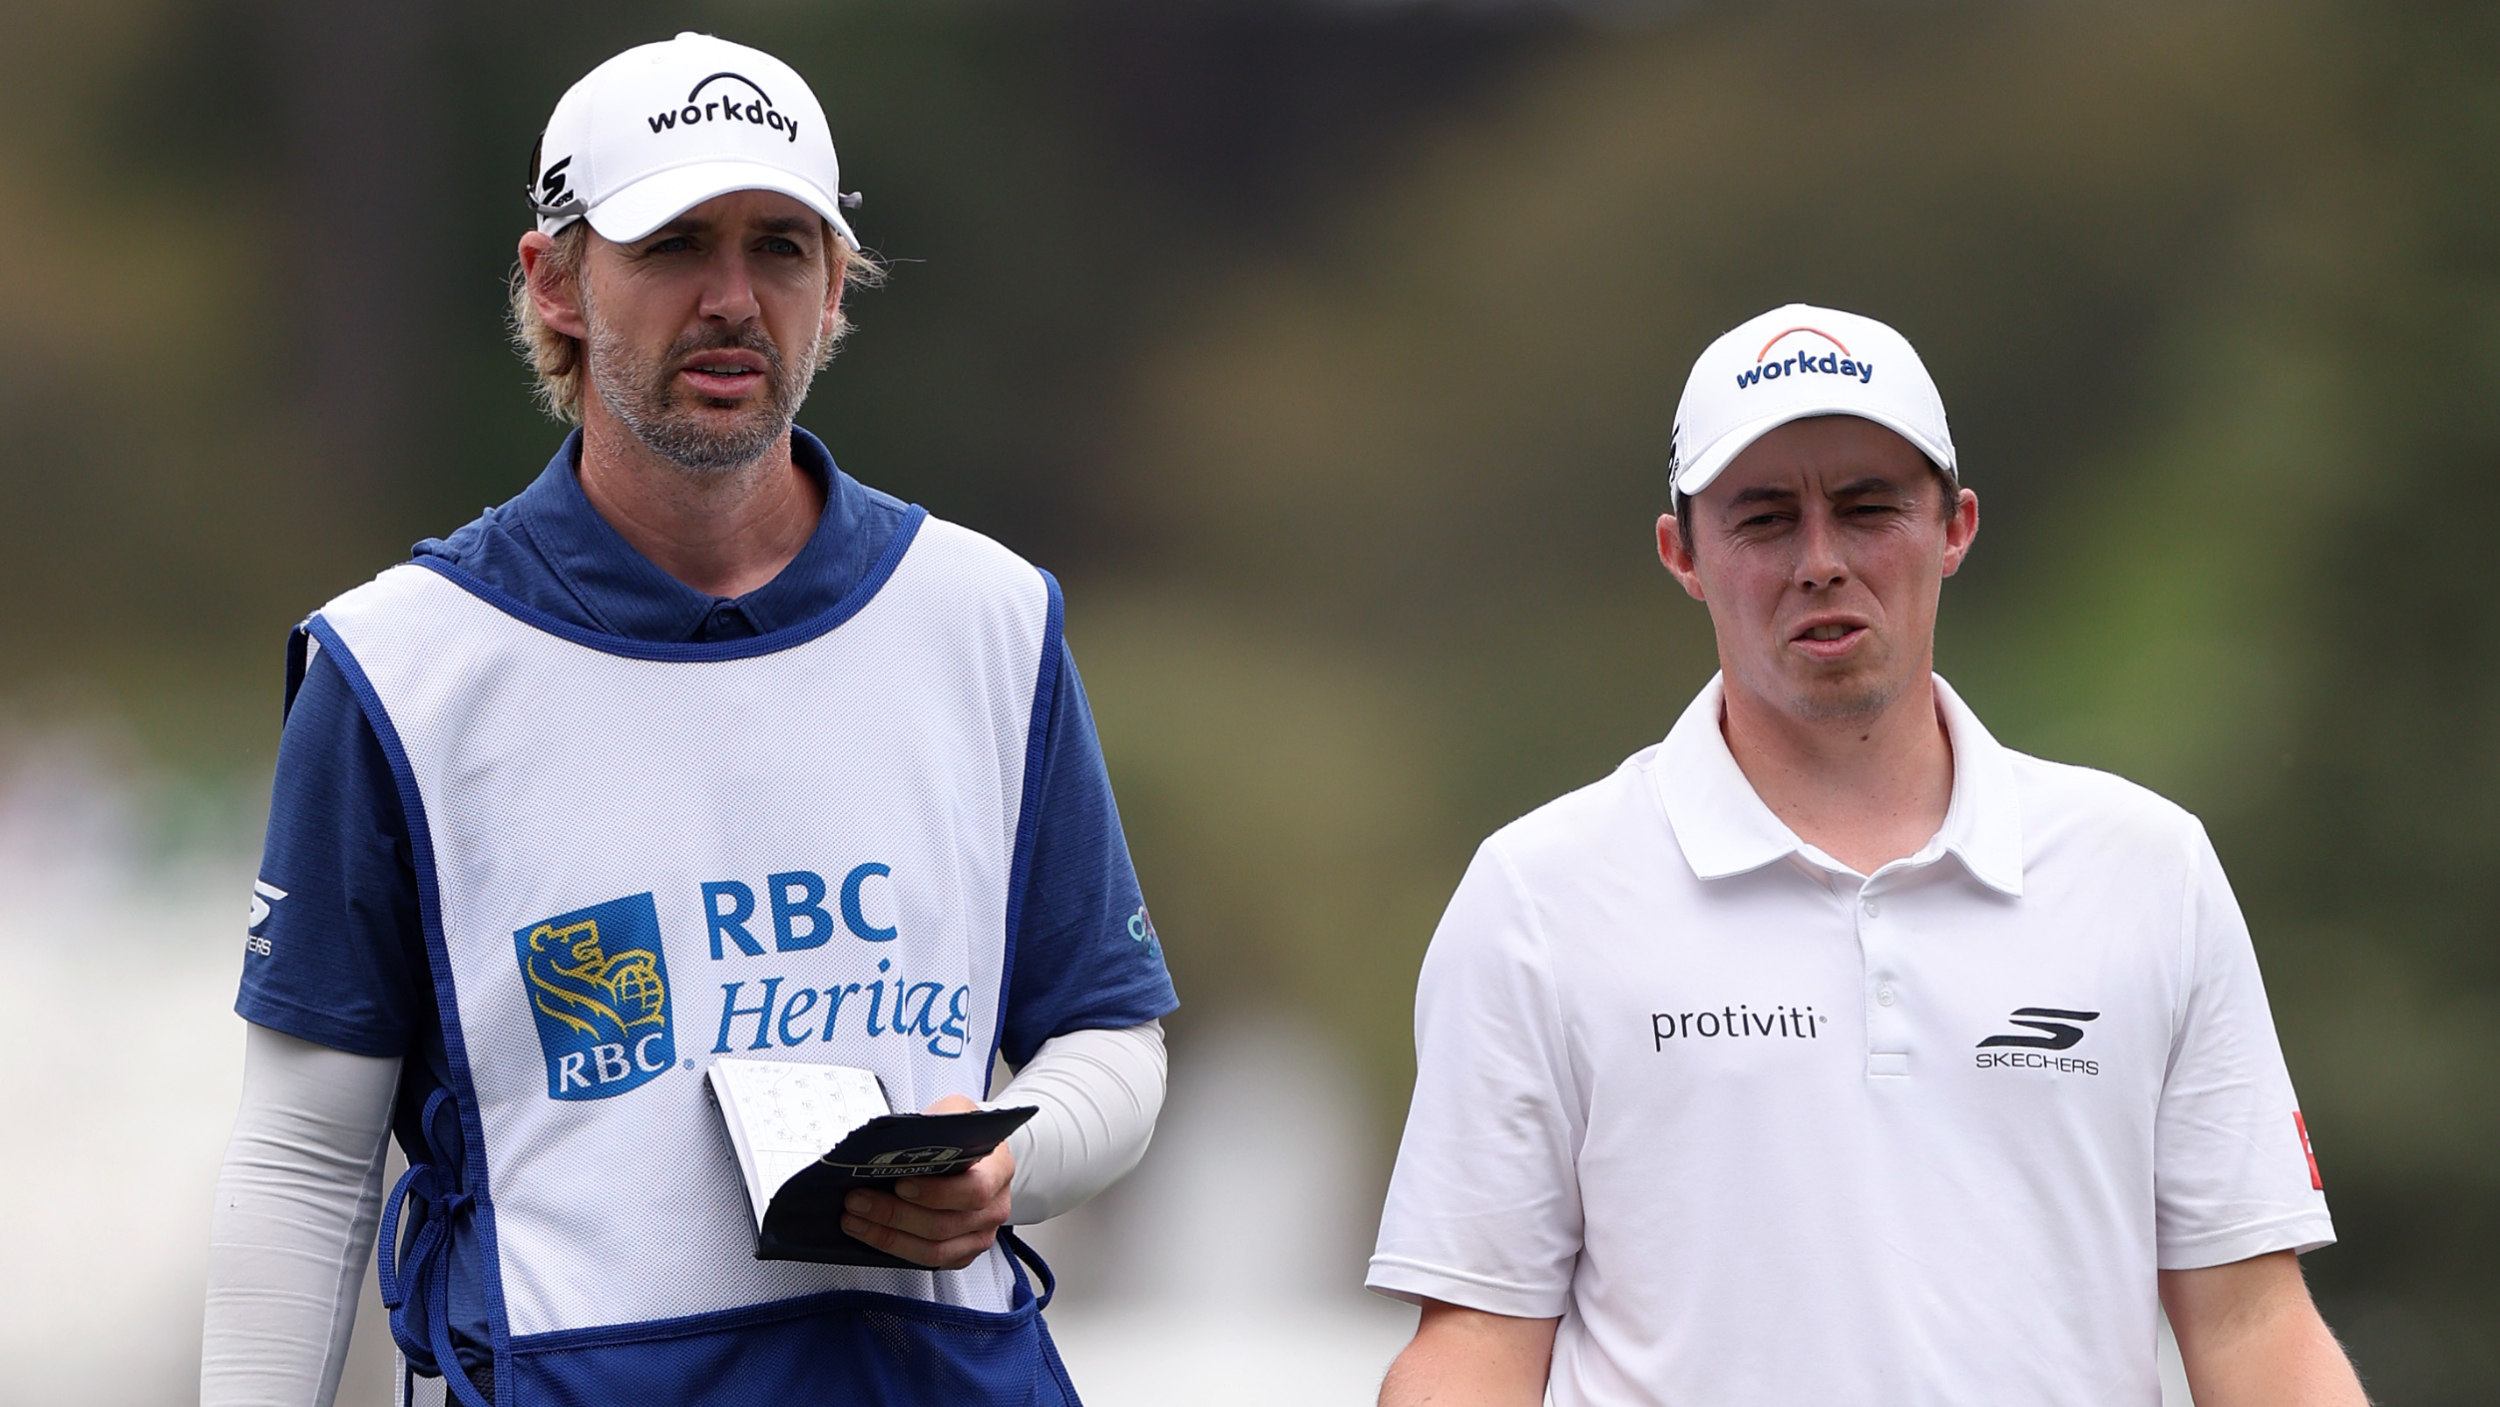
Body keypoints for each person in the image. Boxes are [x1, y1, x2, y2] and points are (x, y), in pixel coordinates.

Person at [200, 32, 1176, 1407]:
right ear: (557, 281)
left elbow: (1111, 1040)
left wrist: (1016, 1162)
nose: (732, 298)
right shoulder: (399, 666)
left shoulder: (987, 615)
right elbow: (306, 1160)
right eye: (672, 245)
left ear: (835, 286)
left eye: (781, 246)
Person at [1367, 304, 2366, 1406]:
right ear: (1682, 554)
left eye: (1866, 507)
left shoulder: (2147, 869)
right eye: (1761, 519)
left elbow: (2251, 1324)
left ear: (1955, 527)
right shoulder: (1539, 895)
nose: (1820, 561)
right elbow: (1474, 1346)